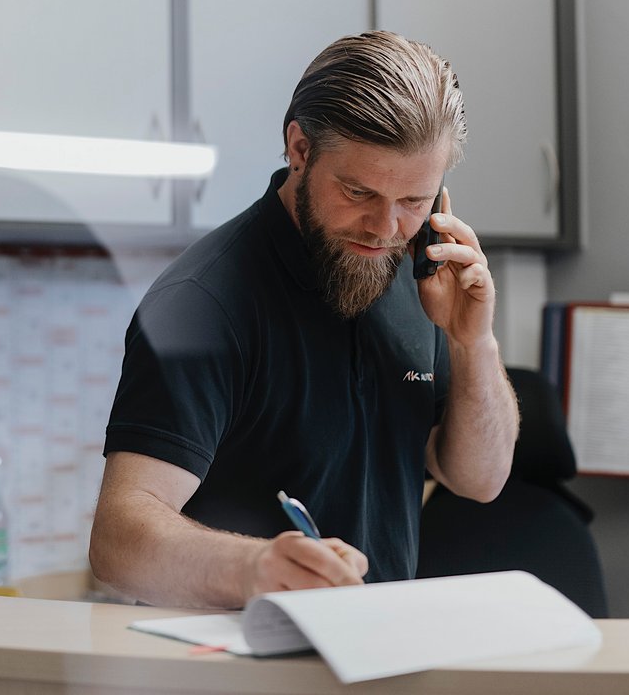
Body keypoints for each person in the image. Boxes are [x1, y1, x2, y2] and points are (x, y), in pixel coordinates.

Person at [88, 31, 520, 609]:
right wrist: (254, 567)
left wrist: (473, 342)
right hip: (233, 653)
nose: (385, 228)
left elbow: (479, 479)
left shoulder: (423, 275)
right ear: (299, 148)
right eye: (358, 192)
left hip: (373, 643)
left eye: (414, 201)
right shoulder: (202, 303)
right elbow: (117, 541)